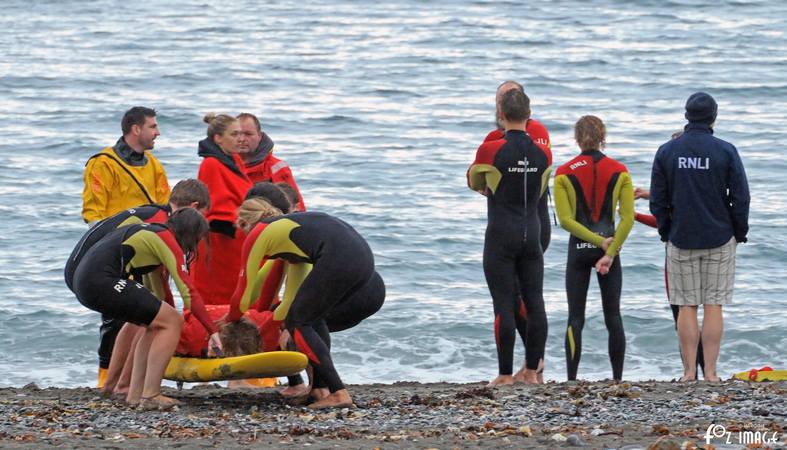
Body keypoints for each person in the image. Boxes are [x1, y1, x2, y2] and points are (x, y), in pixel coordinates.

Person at [229, 206, 385, 408]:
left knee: (299, 322)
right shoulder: (297, 246)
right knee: (309, 318)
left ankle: (338, 393)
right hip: (362, 259)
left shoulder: (258, 234)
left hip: (349, 266)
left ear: (243, 224)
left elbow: (245, 291)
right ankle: (320, 389)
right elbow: (286, 304)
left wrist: (230, 320)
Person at [66, 179, 210, 388]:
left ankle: (114, 384)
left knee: (140, 318)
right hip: (93, 273)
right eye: (202, 216)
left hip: (83, 269)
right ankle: (126, 385)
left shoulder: (153, 213)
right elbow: (169, 286)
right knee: (147, 318)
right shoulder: (162, 223)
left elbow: (158, 289)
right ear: (194, 207)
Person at [650, 92, 749, 382]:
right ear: (713, 117)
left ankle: (688, 372)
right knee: (714, 304)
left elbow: (658, 199)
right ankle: (712, 373)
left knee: (687, 304)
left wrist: (666, 230)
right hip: (719, 234)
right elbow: (741, 197)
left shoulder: (667, 151)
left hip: (681, 235)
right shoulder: (726, 150)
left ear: (687, 116)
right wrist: (739, 231)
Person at [467, 89, 550, 386]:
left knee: (503, 303)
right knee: (536, 301)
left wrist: (490, 184)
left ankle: (504, 374)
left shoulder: (491, 149)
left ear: (500, 114)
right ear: (529, 114)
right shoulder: (543, 153)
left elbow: (473, 180)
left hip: (501, 233)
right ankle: (531, 370)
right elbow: (540, 190)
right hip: (532, 233)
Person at [553, 115, 634, 381]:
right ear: (603, 137)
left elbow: (566, 221)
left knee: (575, 317)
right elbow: (628, 218)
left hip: (578, 249)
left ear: (577, 138)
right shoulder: (619, 170)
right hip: (609, 246)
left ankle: (571, 379)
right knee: (613, 316)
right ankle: (618, 378)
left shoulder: (564, 173)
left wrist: (594, 241)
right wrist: (608, 250)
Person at [633, 183, 705, 379]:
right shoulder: (700, 192)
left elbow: (666, 220)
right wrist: (650, 195)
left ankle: (691, 372)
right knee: (707, 314)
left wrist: (636, 216)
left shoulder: (677, 187)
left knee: (681, 317)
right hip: (707, 250)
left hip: (677, 257)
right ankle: (708, 373)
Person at [192, 114, 253, 305]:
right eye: (234, 134)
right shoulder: (211, 163)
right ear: (218, 138)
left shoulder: (234, 160)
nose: (240, 139)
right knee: (220, 300)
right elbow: (215, 210)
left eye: (241, 134)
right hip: (221, 245)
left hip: (236, 240)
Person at [82, 107, 171, 225]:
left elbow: (165, 206)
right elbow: (93, 213)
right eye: (152, 127)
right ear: (136, 129)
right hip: (116, 237)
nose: (158, 132)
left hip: (148, 236)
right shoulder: (103, 164)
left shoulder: (154, 164)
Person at [237, 113, 305, 208]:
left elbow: (296, 208)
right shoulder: (221, 165)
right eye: (237, 134)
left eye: (248, 134)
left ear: (259, 136)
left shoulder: (276, 167)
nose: (242, 139)